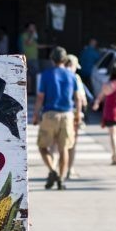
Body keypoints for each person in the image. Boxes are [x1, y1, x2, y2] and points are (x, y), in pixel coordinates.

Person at [31, 46, 80, 190]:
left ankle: (52, 170)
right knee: (64, 148)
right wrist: (77, 115)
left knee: (42, 146)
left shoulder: (46, 75)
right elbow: (77, 98)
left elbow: (40, 98)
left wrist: (35, 115)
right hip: (67, 114)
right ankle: (61, 178)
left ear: (52, 59)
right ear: (65, 60)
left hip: (50, 114)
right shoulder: (72, 75)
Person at [92, 63, 116, 165]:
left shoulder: (108, 85)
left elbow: (101, 96)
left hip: (111, 112)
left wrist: (96, 103)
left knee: (113, 135)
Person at [63, 54, 91, 180]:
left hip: (57, 111)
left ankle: (55, 168)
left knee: (59, 143)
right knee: (72, 143)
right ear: (72, 65)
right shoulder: (75, 77)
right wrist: (81, 112)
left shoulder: (58, 74)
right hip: (73, 112)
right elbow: (81, 98)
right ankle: (70, 169)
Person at [20, 22, 40, 88]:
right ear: (28, 28)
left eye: (34, 27)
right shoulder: (24, 35)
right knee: (28, 74)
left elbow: (35, 45)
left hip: (34, 57)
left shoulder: (34, 36)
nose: (33, 28)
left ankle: (33, 90)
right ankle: (29, 90)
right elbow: (28, 43)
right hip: (28, 57)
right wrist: (33, 35)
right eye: (32, 27)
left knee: (34, 74)